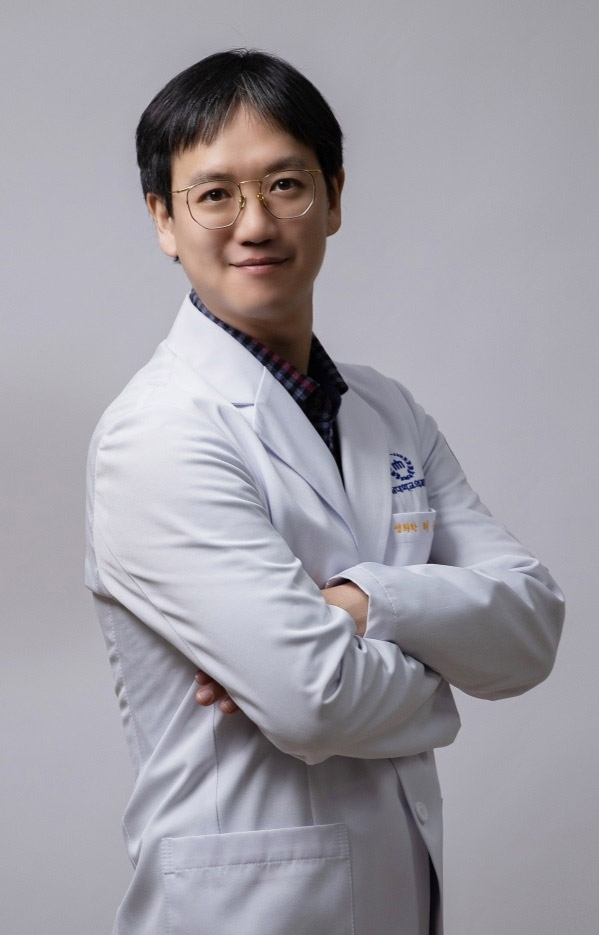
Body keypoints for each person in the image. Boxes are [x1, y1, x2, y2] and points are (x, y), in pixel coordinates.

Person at [85, 49, 564, 935]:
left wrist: (361, 603)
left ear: (333, 196)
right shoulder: (159, 434)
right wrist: (444, 656)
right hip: (242, 912)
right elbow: (314, 701)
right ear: (163, 219)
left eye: (285, 185)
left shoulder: (387, 410)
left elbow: (531, 626)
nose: (254, 223)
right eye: (214, 194)